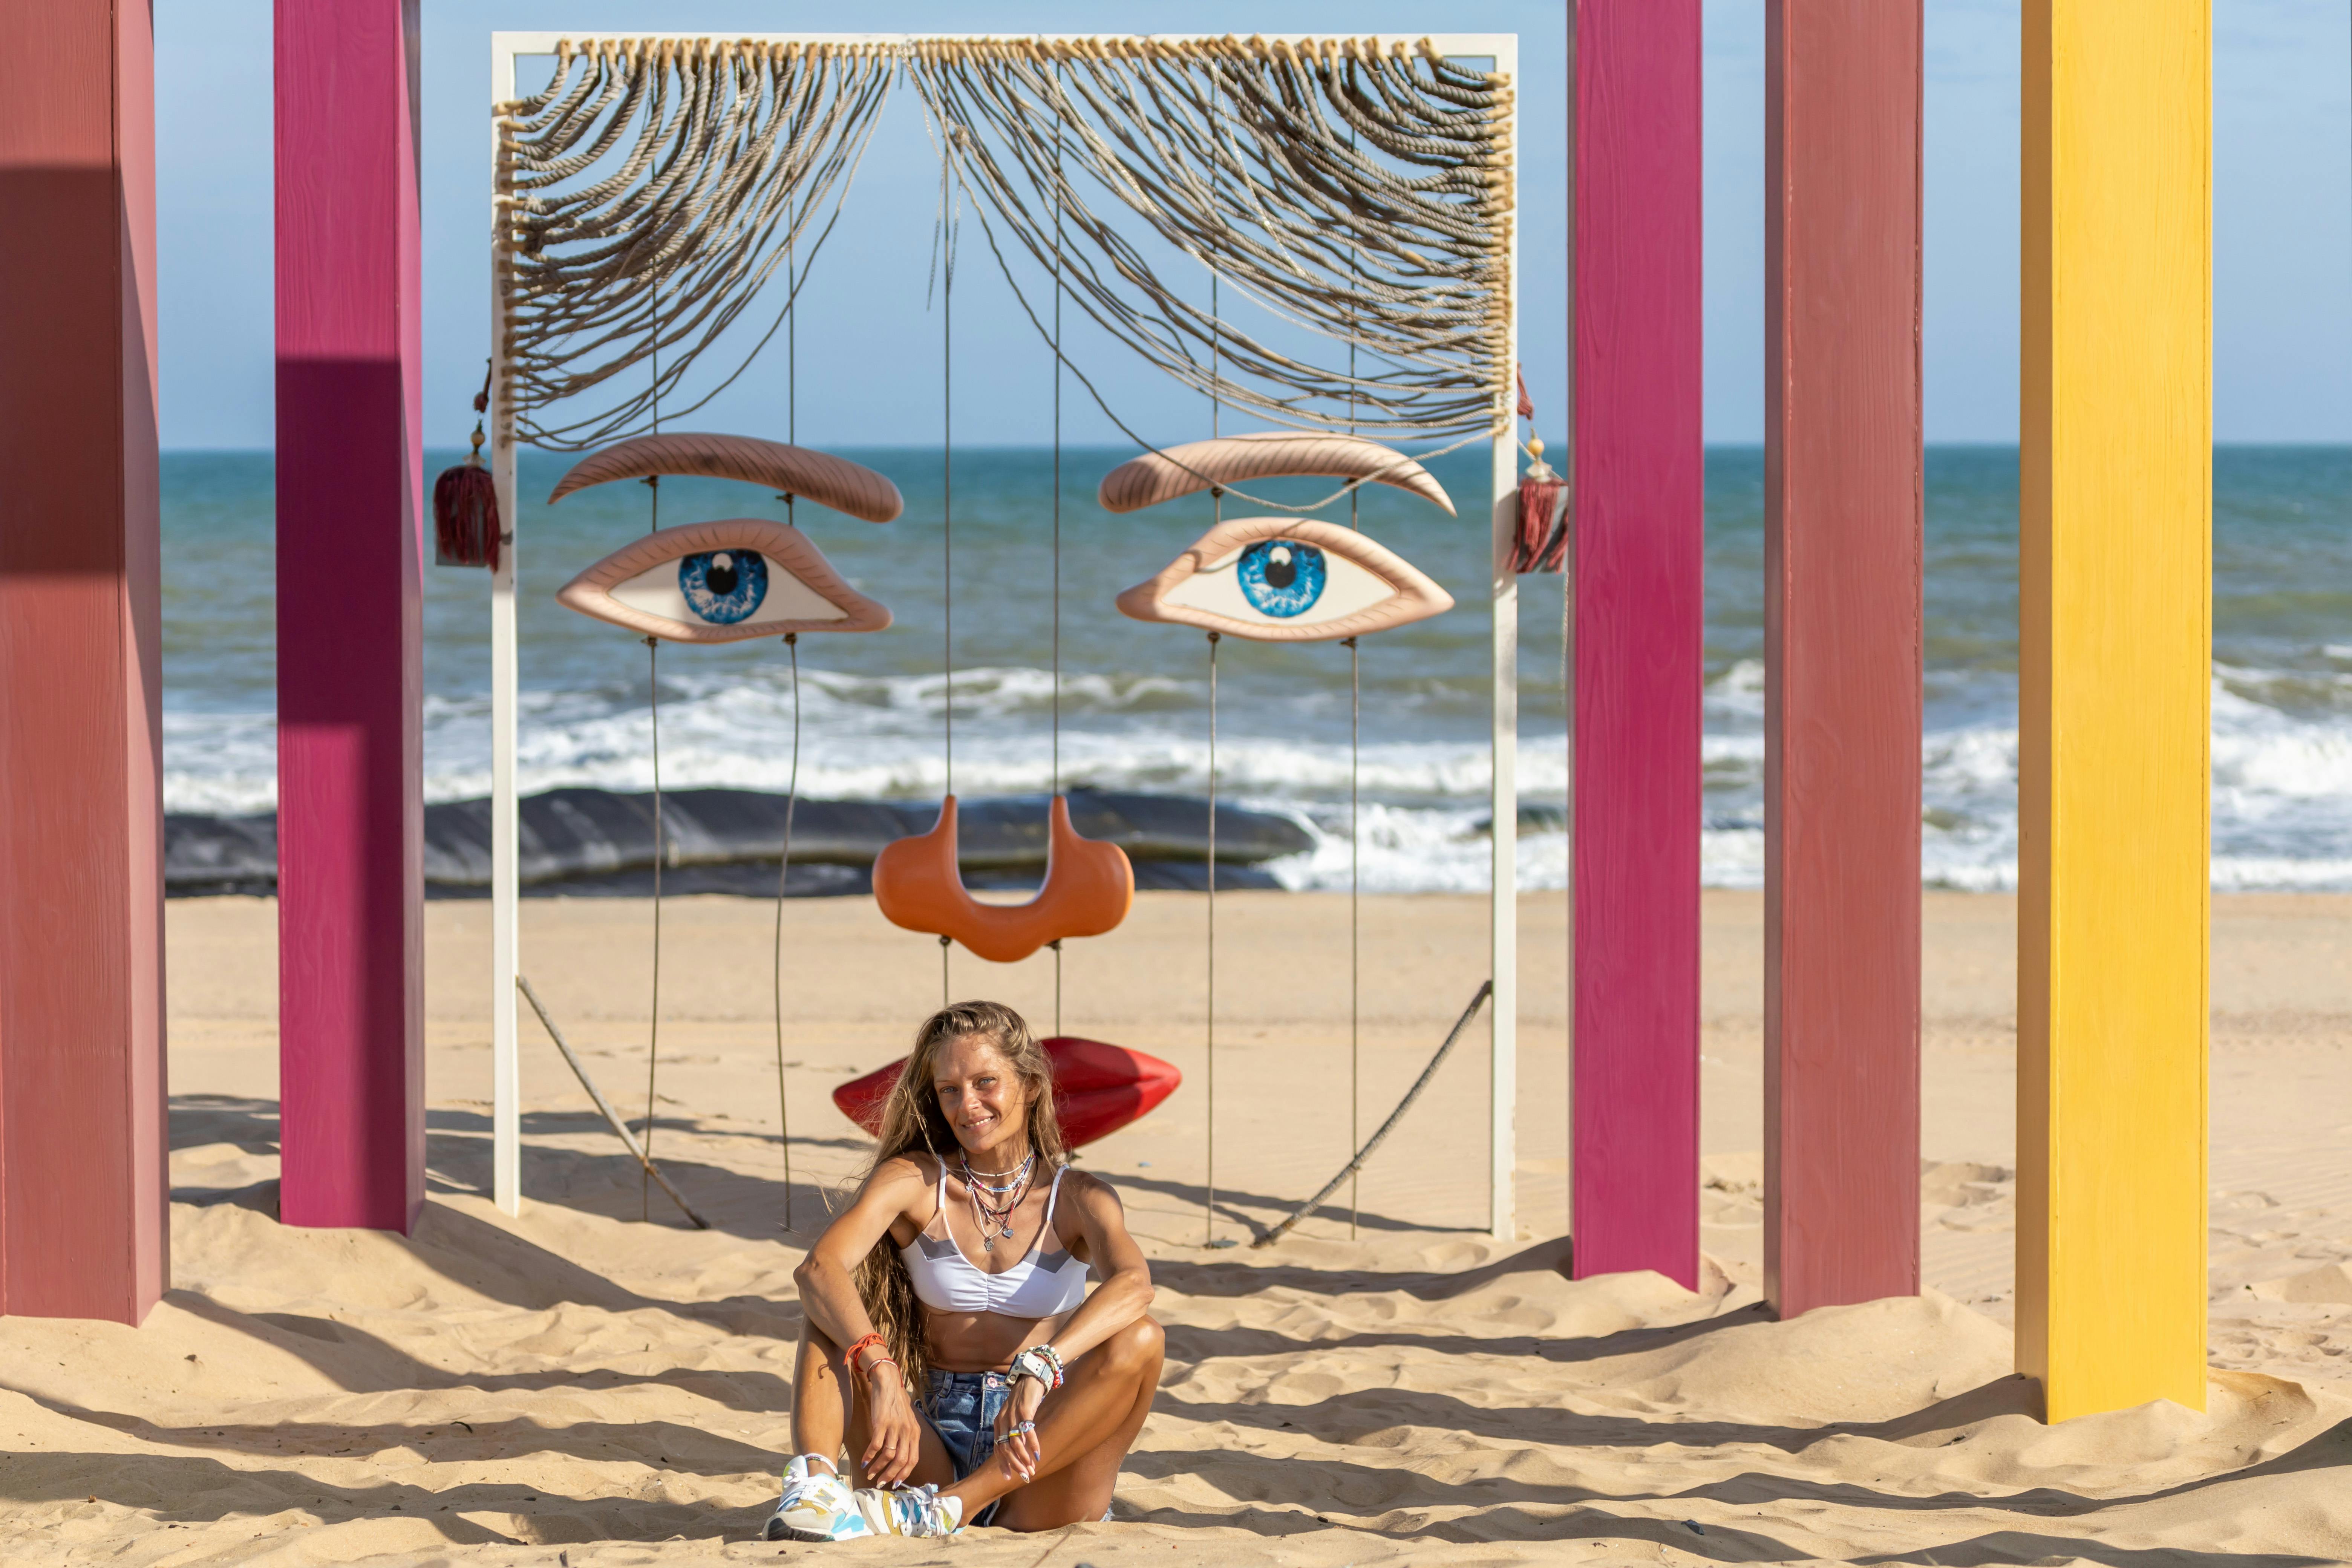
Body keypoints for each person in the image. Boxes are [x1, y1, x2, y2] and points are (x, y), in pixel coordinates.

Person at [765, 1000, 1163, 1540]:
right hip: (925, 1441)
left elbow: (1135, 1285)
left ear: (1030, 1086)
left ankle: (957, 1505)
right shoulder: (915, 1179)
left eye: (985, 1083)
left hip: (1036, 1444)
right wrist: (882, 1371)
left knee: (1143, 1338)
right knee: (831, 1314)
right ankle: (813, 1491)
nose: (967, 1104)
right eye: (950, 1090)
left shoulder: (1078, 1197)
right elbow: (818, 1269)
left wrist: (1041, 1367)